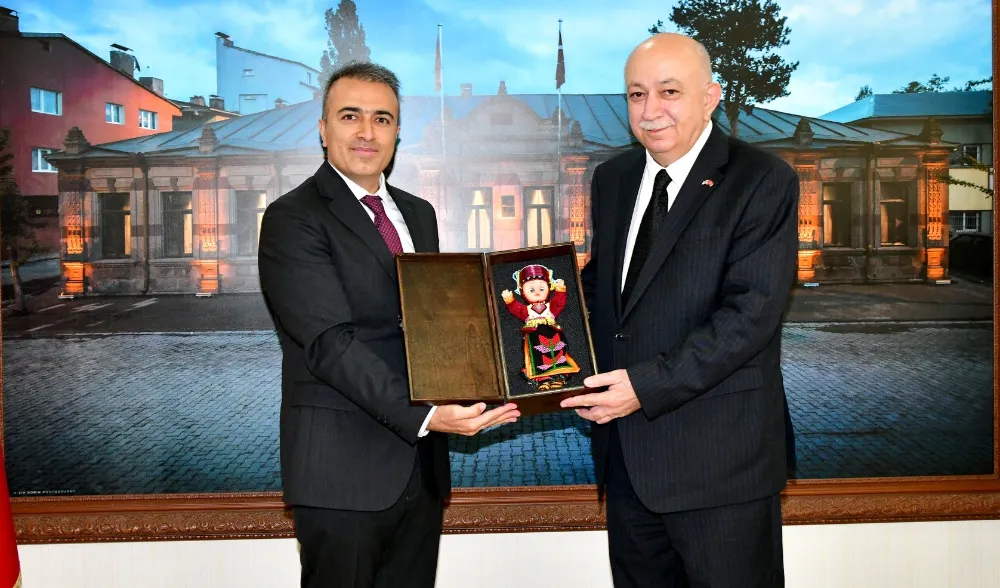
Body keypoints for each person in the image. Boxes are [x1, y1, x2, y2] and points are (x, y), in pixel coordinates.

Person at [257, 62, 520, 588]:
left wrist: (502, 356)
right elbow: (330, 344)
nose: (366, 132)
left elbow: (432, 326)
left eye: (382, 119)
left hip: (421, 472)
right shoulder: (294, 216)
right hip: (340, 474)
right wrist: (428, 415)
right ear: (323, 128)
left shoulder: (418, 214)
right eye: (350, 116)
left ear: (397, 132)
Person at [561, 33, 799, 587]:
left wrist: (643, 387)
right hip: (627, 462)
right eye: (636, 94)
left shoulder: (762, 179)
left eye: (669, 91)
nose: (650, 110)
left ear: (710, 97)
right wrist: (530, 332)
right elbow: (603, 289)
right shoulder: (613, 179)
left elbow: (750, 315)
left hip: (723, 465)